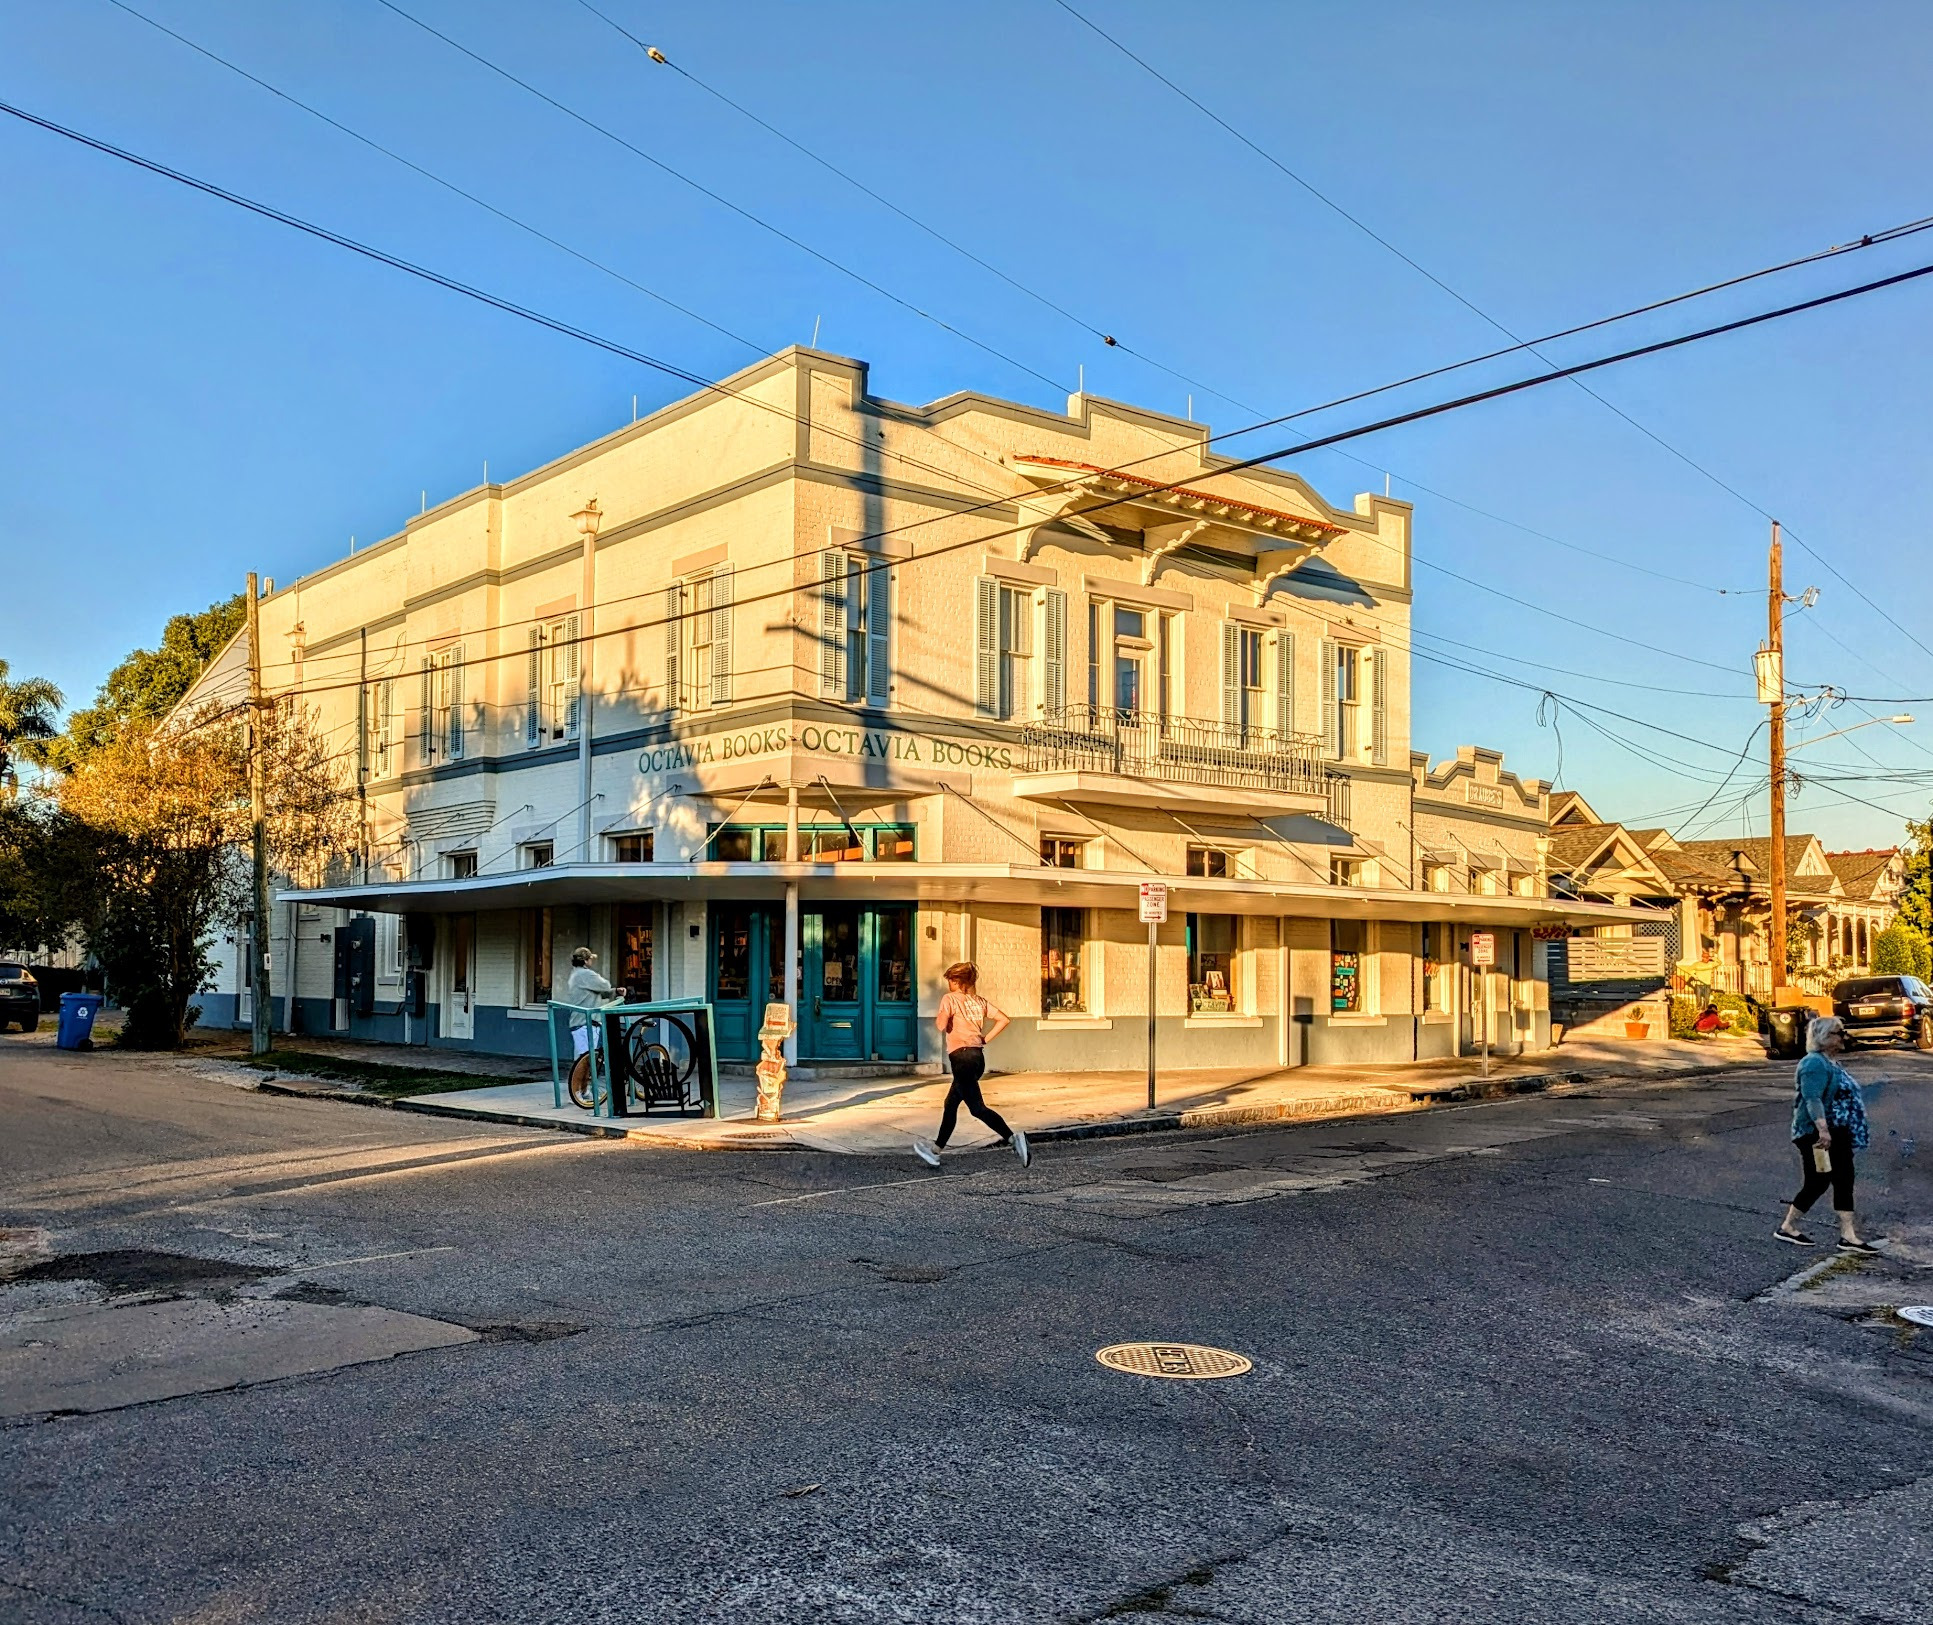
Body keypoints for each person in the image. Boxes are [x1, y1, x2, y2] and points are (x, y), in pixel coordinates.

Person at [1775, 1015, 1879, 1253]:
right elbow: (1812, 1099)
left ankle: (1848, 1235)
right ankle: (1788, 1226)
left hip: (1838, 1132)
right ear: (1823, 1037)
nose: (1843, 1036)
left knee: (1844, 1178)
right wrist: (1823, 1129)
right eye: (1838, 1032)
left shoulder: (1832, 1062)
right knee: (1818, 1181)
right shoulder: (1813, 1063)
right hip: (1817, 1133)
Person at [914, 962, 1028, 1168]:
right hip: (977, 1058)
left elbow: (940, 1025)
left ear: (957, 981)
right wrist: (984, 1039)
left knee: (977, 1109)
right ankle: (935, 1151)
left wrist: (944, 1015)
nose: (948, 984)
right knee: (951, 1104)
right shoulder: (979, 1001)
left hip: (962, 1059)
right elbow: (1003, 1019)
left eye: (950, 980)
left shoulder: (949, 999)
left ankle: (1014, 1138)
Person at [563, 947, 625, 1099]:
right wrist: (611, 989)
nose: (592, 961)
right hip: (586, 1022)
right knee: (584, 1060)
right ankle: (577, 1092)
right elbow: (604, 985)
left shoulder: (576, 975)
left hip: (584, 1021)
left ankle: (584, 1091)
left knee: (587, 1060)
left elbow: (600, 991)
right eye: (590, 958)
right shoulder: (585, 974)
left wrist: (615, 991)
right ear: (585, 961)